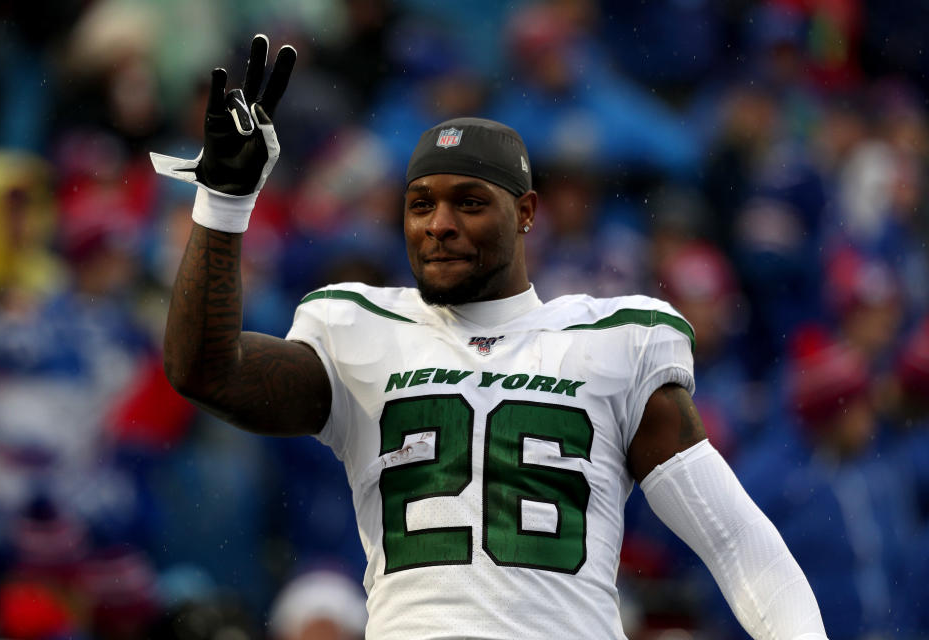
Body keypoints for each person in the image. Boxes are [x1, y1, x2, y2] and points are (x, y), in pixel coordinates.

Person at [151, 35, 829, 640]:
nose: (438, 224)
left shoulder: (613, 341)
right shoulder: (361, 332)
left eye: (468, 202)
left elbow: (738, 544)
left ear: (527, 212)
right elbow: (205, 371)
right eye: (420, 205)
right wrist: (225, 202)